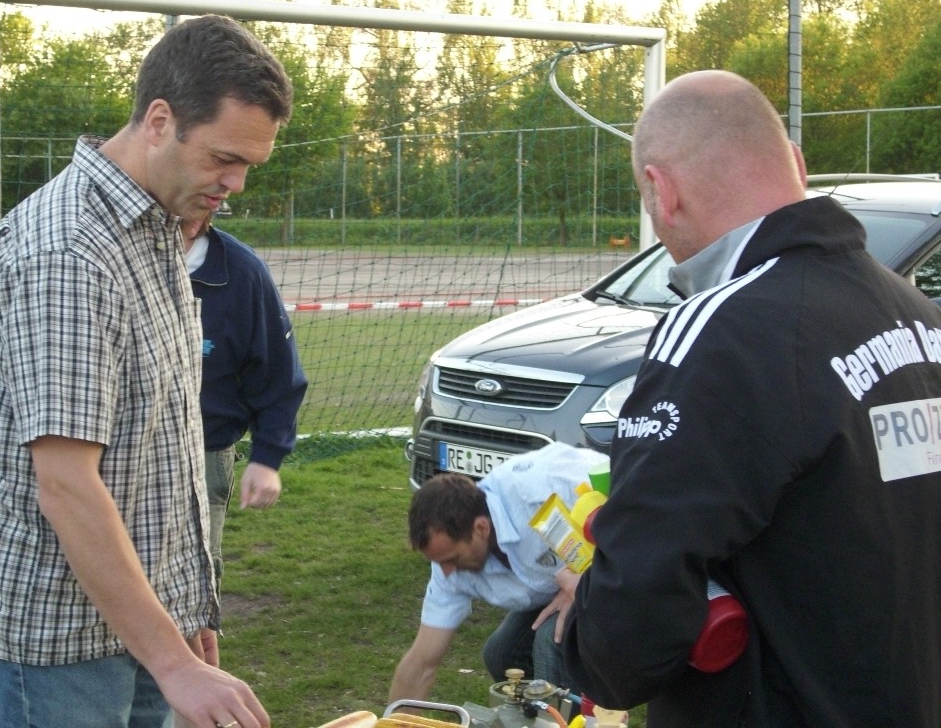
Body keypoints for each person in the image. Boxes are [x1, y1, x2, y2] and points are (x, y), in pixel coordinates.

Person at [0, 15, 293, 728]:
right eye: (223, 158)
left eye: (250, 164)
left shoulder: (159, 224)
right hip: (51, 631)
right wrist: (175, 663)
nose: (236, 183)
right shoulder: (68, 253)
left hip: (140, 616)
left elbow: (160, 439)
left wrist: (182, 610)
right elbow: (66, 484)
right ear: (160, 121)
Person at [563, 70, 941, 727]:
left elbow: (625, 642)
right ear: (796, 163)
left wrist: (583, 621)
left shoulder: (720, 333)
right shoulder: (915, 314)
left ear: (662, 191)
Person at [388, 442, 605, 704]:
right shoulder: (447, 564)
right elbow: (422, 662)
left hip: (618, 572)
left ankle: (578, 717)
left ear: (481, 528)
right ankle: (534, 717)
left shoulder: (542, 487)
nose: (446, 572)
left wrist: (585, 582)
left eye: (451, 559)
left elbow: (631, 513)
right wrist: (395, 721)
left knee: (552, 641)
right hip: (562, 582)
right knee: (502, 653)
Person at [180, 214, 307, 604]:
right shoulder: (115, 257)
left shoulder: (242, 271)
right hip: (111, 455)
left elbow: (278, 372)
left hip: (203, 456)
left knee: (191, 584)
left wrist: (267, 457)